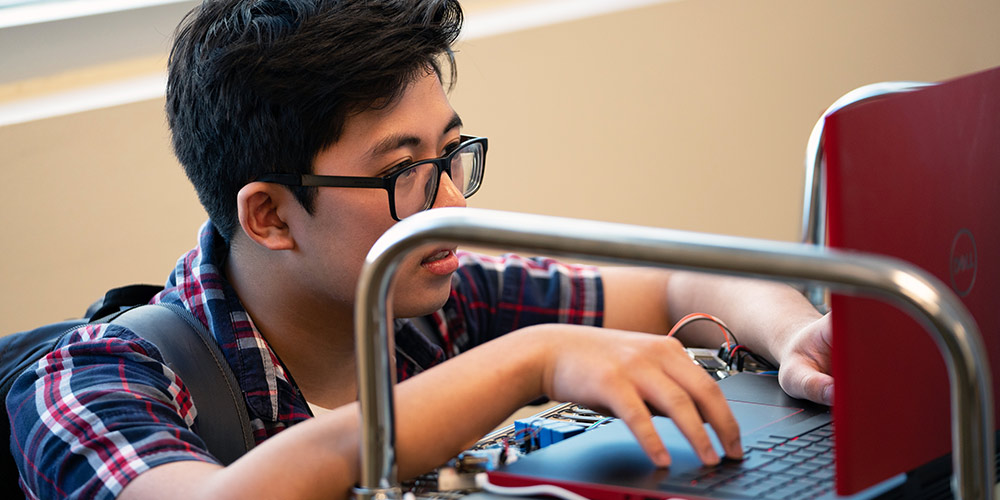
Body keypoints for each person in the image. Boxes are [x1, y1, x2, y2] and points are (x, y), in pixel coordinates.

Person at [6, 0, 832, 498]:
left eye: (450, 155)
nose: (447, 204)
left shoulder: (429, 306)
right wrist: (528, 361)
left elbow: (686, 279)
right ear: (268, 216)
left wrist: (793, 337)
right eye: (403, 172)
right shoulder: (93, 381)